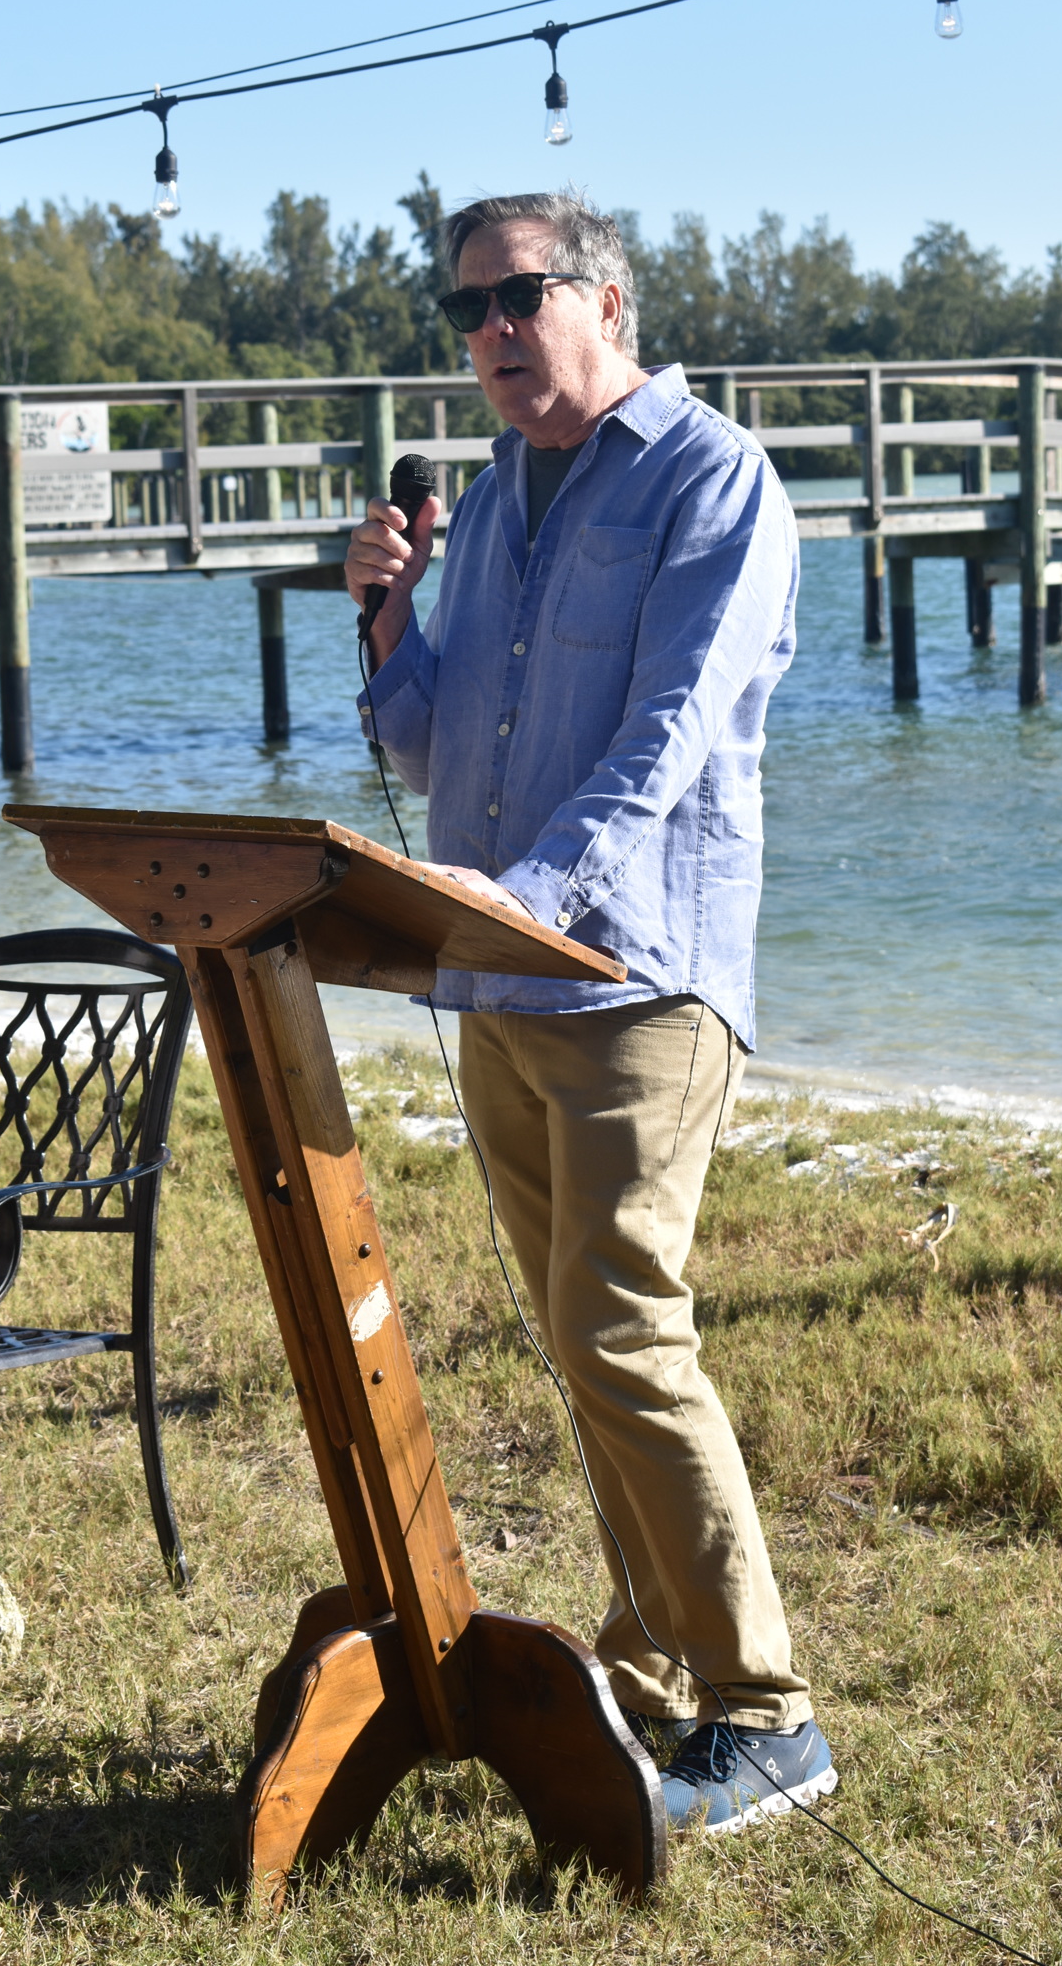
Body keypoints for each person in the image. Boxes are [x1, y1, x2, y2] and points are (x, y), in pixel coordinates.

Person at [343, 189, 835, 1836]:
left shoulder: (709, 477)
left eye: (516, 297)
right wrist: (386, 612)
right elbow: (425, 750)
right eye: (463, 310)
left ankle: (766, 1716)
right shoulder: (485, 506)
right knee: (575, 1341)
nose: (487, 331)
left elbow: (675, 730)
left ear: (602, 301)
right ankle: (642, 1665)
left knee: (622, 1322)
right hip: (491, 974)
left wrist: (533, 896)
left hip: (637, 975)